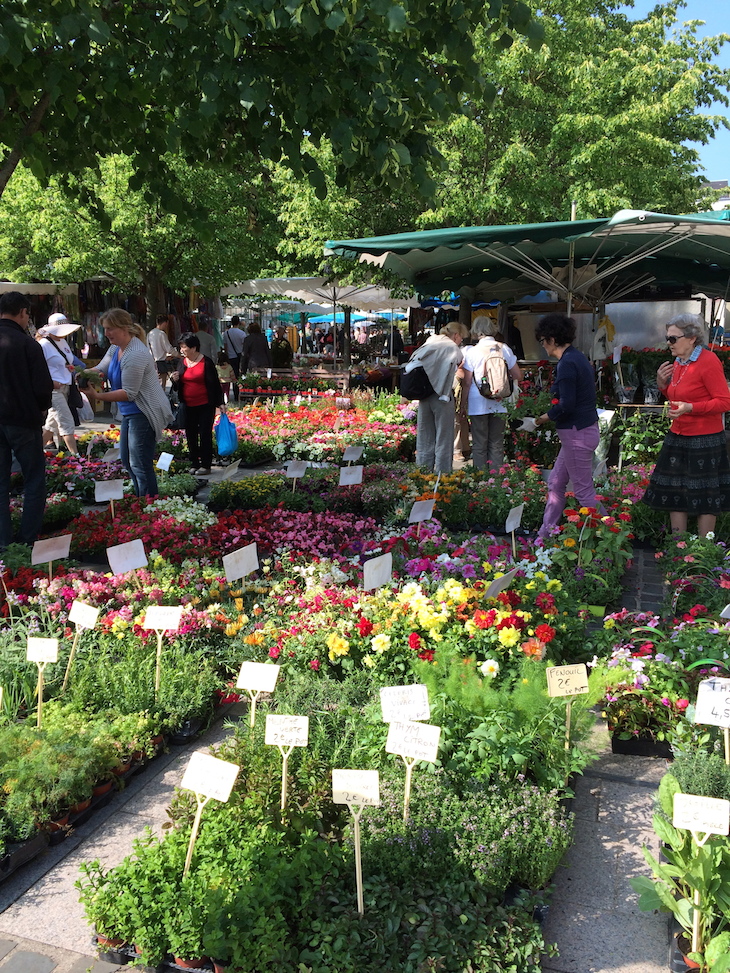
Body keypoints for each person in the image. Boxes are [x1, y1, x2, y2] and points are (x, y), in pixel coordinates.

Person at [643, 313, 730, 536]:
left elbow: (724, 401)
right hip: (679, 434)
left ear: (691, 338)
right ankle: (678, 547)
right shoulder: (679, 362)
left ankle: (703, 550)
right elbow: (676, 397)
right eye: (667, 338)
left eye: (673, 338)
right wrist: (663, 385)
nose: (668, 343)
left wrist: (691, 408)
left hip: (705, 437)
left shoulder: (708, 361)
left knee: (705, 495)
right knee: (674, 490)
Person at [84, 308, 172, 497]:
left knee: (139, 463)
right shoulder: (116, 347)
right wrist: (79, 372)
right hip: (130, 413)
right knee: (127, 459)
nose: (105, 333)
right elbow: (101, 368)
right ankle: (142, 501)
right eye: (105, 329)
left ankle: (149, 505)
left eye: (109, 329)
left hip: (145, 412)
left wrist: (97, 396)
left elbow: (129, 393)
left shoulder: (135, 354)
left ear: (124, 328)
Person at [534, 313, 604, 539]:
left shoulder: (566, 363)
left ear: (552, 339)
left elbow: (566, 404)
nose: (543, 345)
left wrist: (540, 419)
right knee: (555, 483)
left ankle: (611, 534)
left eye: (543, 340)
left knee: (584, 492)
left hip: (576, 433)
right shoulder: (576, 357)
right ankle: (545, 534)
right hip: (579, 432)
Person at [0, 292, 53, 549]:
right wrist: (42, 410)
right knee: (34, 479)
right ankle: (28, 538)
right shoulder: (27, 344)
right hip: (22, 419)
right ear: (22, 312)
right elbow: (43, 388)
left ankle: (3, 540)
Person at [461, 316, 522, 471]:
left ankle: (480, 478)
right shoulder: (504, 348)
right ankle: (496, 479)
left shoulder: (472, 351)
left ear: (475, 331)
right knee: (496, 443)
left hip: (478, 402)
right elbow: (517, 375)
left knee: (479, 443)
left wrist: (462, 404)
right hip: (500, 401)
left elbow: (467, 381)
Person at [405, 321, 467, 473]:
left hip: (423, 394)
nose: (461, 342)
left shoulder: (429, 342)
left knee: (425, 436)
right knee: (444, 438)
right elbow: (457, 365)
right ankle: (442, 476)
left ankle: (422, 474)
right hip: (441, 396)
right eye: (461, 338)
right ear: (456, 335)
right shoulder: (451, 347)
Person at [170, 332, 225, 476]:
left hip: (205, 404)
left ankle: (206, 465)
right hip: (187, 405)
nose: (181, 350)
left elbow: (214, 384)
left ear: (193, 348)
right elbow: (178, 386)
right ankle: (194, 463)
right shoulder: (182, 363)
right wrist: (175, 380)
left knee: (205, 434)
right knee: (191, 434)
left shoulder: (206, 362)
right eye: (180, 347)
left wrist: (220, 403)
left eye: (184, 347)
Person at [37, 318, 83, 454]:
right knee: (66, 421)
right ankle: (76, 456)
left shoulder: (63, 342)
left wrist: (69, 368)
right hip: (53, 390)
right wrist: (49, 382)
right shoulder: (43, 345)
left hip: (66, 387)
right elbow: (38, 368)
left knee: (52, 425)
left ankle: (34, 451)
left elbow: (64, 361)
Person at [147, 315, 176, 387]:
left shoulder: (150, 334)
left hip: (152, 362)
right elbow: (169, 349)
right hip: (161, 363)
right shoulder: (161, 334)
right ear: (165, 323)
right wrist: (178, 355)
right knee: (162, 386)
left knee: (155, 386)